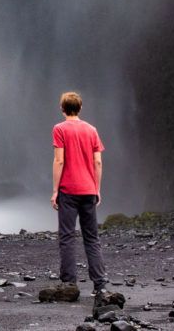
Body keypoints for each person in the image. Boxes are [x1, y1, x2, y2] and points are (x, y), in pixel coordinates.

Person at [51, 91, 107, 295]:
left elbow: (59, 160)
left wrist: (55, 190)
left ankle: (69, 284)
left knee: (67, 236)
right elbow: (98, 161)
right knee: (92, 238)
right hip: (88, 190)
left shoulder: (59, 129)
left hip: (68, 190)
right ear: (80, 108)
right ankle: (100, 284)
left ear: (62, 108)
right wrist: (97, 188)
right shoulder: (91, 130)